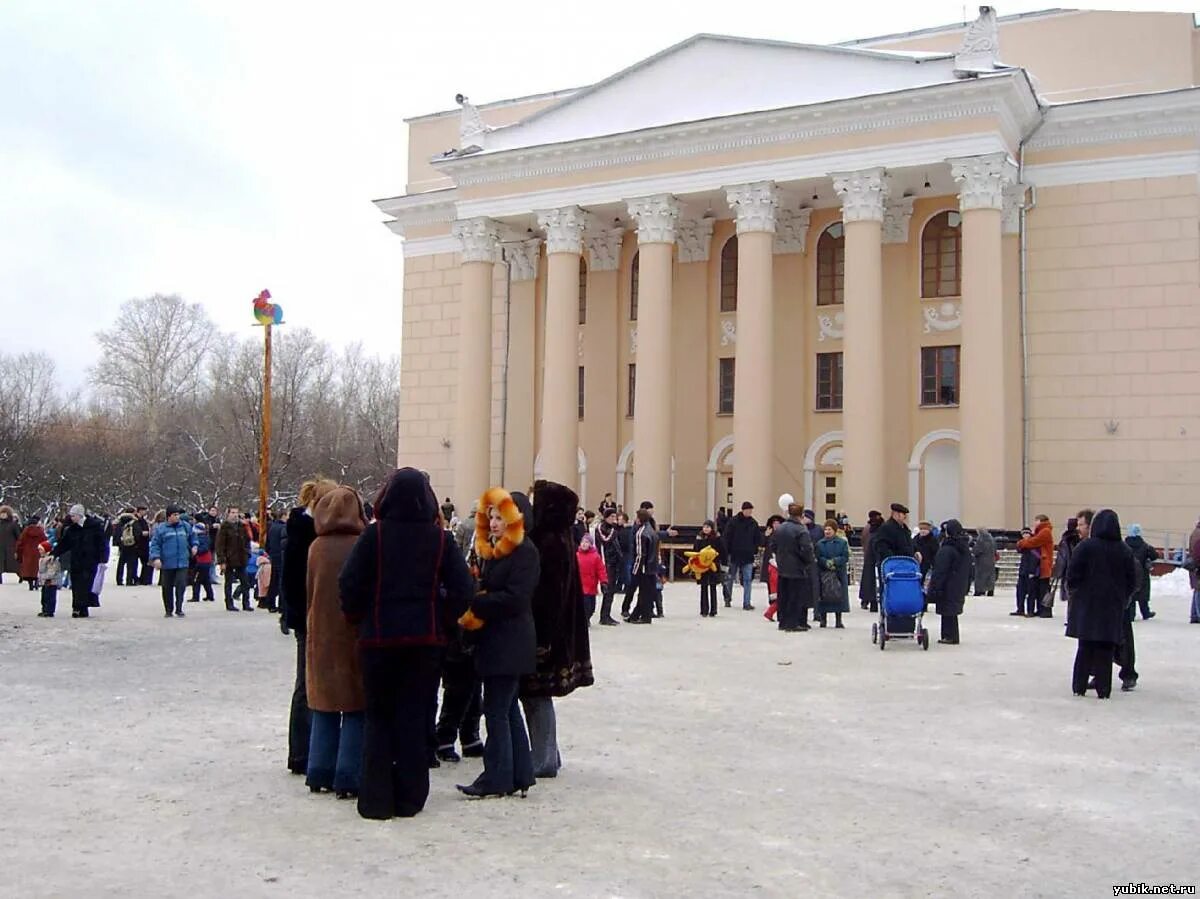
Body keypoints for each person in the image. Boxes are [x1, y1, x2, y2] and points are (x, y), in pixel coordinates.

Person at [338, 469, 471, 817]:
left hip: (378, 640)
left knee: (379, 718)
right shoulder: (439, 539)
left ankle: (376, 798)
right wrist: (442, 619)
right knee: (414, 717)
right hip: (424, 642)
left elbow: (349, 583)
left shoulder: (374, 537)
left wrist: (358, 616)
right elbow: (463, 589)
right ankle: (410, 797)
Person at [454, 486, 539, 799]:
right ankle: (519, 772)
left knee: (497, 710)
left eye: (499, 517)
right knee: (507, 709)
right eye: (490, 516)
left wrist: (479, 602)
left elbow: (516, 598)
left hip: (509, 641)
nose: (493, 522)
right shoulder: (501, 549)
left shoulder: (524, 550)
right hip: (501, 640)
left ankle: (498, 776)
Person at [522, 480, 593, 779]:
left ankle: (544, 758)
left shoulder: (548, 541)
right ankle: (549, 752)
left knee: (537, 693)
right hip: (557, 631)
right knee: (538, 694)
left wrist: (542, 638)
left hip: (547, 632)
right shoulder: (560, 537)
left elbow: (549, 594)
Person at [305, 486, 368, 798]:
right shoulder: (361, 545)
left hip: (320, 632)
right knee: (355, 705)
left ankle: (318, 769)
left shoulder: (315, 547)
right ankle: (348, 774)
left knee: (324, 704)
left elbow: (308, 593)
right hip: (351, 633)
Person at [281, 477, 338, 778]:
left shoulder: (312, 531)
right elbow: (291, 581)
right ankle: (301, 752)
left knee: (316, 683)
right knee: (306, 685)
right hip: (309, 619)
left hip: (315, 617)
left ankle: (313, 749)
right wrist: (302, 616)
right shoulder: (304, 532)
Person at [1066, 509, 1136, 699]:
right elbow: (1133, 579)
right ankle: (1103, 689)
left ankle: (1078, 687)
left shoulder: (1086, 547)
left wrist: (1077, 593)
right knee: (1106, 648)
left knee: (1085, 647)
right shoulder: (1124, 550)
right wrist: (1124, 597)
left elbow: (1072, 574)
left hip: (1087, 605)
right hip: (1112, 607)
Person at [52, 505, 109, 618]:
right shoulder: (72, 529)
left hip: (91, 561)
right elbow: (64, 544)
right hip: (76, 560)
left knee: (86, 584)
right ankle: (77, 607)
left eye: (73, 516)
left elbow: (102, 543)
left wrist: (103, 558)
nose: (71, 518)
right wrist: (54, 553)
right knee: (76, 585)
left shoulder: (94, 526)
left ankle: (83, 607)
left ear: (80, 515)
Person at [926, 520, 972, 645]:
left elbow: (940, 570)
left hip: (947, 585)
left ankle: (949, 636)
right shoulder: (964, 548)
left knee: (947, 611)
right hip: (959, 584)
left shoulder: (947, 549)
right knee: (952, 611)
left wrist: (934, 588)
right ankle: (951, 635)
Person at [773, 504, 816, 632]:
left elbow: (773, 545)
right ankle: (793, 623)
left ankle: (783, 621)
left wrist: (780, 557)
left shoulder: (780, 528)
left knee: (784, 595)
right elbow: (806, 549)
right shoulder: (801, 530)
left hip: (782, 566)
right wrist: (808, 561)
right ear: (801, 515)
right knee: (796, 596)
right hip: (797, 568)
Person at [149, 504, 197, 618]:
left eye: (178, 515)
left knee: (181, 584)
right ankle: (169, 609)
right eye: (175, 515)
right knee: (167, 587)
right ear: (169, 516)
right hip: (167, 563)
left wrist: (195, 545)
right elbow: (155, 545)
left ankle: (179, 608)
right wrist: (156, 558)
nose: (177, 517)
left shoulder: (185, 526)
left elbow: (193, 537)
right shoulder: (161, 529)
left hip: (182, 562)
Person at [724, 502, 762, 611]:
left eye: (751, 510)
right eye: (748, 510)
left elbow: (757, 538)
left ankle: (746, 603)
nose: (750, 512)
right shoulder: (733, 522)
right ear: (743, 510)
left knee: (747, 579)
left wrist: (754, 550)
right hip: (734, 554)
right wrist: (727, 552)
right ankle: (727, 598)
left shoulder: (753, 523)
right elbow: (727, 537)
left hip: (748, 556)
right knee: (730, 578)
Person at [216, 507, 253, 612]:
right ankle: (229, 603)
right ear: (228, 514)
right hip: (229, 558)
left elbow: (247, 540)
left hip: (241, 558)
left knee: (245, 582)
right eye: (232, 513)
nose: (235, 515)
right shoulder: (224, 527)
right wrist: (222, 560)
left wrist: (247, 553)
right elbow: (220, 545)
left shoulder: (241, 526)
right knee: (229, 582)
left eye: (236, 512)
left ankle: (246, 603)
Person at [1016, 514, 1054, 618]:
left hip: (1043, 565)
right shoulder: (1042, 531)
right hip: (1041, 565)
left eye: (1036, 521)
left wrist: (1021, 542)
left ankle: (1045, 610)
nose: (1034, 523)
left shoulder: (1045, 531)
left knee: (1043, 589)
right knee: (1039, 589)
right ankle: (1041, 610)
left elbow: (1032, 542)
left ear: (1040, 521)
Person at [628, 508, 661, 624]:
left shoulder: (641, 533)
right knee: (648, 592)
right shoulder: (652, 531)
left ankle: (644, 616)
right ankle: (636, 615)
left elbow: (640, 554)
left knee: (643, 592)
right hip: (652, 566)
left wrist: (635, 569)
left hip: (644, 567)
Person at [815, 520, 850, 628]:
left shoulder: (842, 543)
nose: (827, 531)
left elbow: (845, 556)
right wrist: (825, 562)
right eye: (825, 529)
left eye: (829, 529)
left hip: (838, 573)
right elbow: (818, 556)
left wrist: (835, 561)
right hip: (824, 573)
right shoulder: (820, 544)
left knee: (838, 596)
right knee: (824, 595)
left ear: (834, 530)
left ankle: (838, 620)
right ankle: (823, 619)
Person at [594, 508, 624, 625]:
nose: (614, 519)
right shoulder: (601, 528)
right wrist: (614, 531)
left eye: (615, 517)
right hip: (606, 562)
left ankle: (607, 614)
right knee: (607, 590)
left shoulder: (612, 529)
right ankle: (604, 616)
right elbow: (605, 540)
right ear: (606, 517)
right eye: (611, 517)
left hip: (614, 562)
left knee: (611, 591)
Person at [1124, 524, 1158, 621]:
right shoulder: (1144, 545)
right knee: (1143, 594)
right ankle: (1145, 612)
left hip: (1129, 573)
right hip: (1142, 573)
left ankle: (1131, 614)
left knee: (1131, 593)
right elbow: (1154, 555)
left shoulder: (1124, 544)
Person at [692, 520, 723, 618]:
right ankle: (704, 609)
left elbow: (722, 551)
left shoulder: (717, 538)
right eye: (704, 527)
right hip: (702, 566)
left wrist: (721, 563)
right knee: (703, 586)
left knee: (713, 587)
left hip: (713, 565)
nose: (706, 529)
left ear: (712, 528)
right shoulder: (699, 538)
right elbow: (695, 550)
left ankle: (713, 610)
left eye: (708, 527)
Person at [576, 533, 606, 623]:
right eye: (583, 542)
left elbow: (601, 570)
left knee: (591, 607)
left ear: (590, 544)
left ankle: (587, 617)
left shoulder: (595, 556)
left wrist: (603, 581)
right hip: (580, 586)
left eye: (587, 542)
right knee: (584, 606)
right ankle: (583, 620)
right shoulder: (576, 555)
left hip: (591, 586)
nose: (584, 544)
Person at [858, 510, 885, 611]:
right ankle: (871, 601)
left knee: (868, 580)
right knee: (871, 579)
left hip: (869, 556)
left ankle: (866, 600)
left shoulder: (867, 528)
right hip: (875, 556)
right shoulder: (880, 528)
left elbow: (863, 541)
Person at [263, 509, 286, 612]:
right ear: (284, 516)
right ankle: (282, 605)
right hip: (282, 556)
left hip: (274, 556)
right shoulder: (284, 528)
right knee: (282, 581)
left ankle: (270, 603)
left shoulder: (272, 527)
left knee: (274, 580)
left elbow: (267, 543)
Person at [111, 507, 140, 586]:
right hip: (132, 544)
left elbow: (116, 533)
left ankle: (119, 579)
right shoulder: (134, 521)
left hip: (122, 544)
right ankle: (129, 580)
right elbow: (138, 533)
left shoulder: (119, 520)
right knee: (131, 563)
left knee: (121, 563)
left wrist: (118, 542)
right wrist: (136, 543)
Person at [17, 516, 47, 591]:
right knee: (37, 568)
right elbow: (45, 541)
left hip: (27, 552)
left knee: (29, 569)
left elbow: (21, 542)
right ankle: (36, 582)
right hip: (38, 551)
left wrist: (18, 551)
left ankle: (30, 584)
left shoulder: (25, 531)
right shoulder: (40, 531)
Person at [189, 521, 215, 603]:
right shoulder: (206, 537)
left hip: (202, 561)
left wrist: (195, 551)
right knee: (205, 579)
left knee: (196, 579)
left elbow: (204, 548)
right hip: (206, 561)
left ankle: (195, 596)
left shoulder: (200, 538)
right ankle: (210, 595)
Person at [36, 541, 62, 617]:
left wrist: (47, 577)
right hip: (44, 581)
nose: (39, 551)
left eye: (41, 550)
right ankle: (44, 609)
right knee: (44, 597)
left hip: (51, 581)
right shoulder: (42, 559)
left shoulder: (51, 559)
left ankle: (49, 611)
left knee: (50, 597)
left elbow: (52, 570)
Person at [971, 527, 997, 597]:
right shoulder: (992, 539)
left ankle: (979, 591)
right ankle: (990, 590)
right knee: (990, 576)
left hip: (981, 561)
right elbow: (995, 550)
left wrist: (973, 551)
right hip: (991, 561)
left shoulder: (981, 540)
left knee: (980, 576)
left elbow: (976, 551)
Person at [913, 521, 939, 585]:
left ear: (929, 530)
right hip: (916, 565)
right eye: (921, 529)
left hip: (927, 566)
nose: (923, 531)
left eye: (925, 529)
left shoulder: (933, 540)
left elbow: (935, 554)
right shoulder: (916, 539)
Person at [0, 505, 20, 583]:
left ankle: (21, 575)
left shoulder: (13, 524)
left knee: (13, 564)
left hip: (10, 547)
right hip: (0, 547)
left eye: (4, 513)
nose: (3, 515)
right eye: (2, 513)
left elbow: (18, 536)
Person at [1189, 515, 1200, 624]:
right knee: (1198, 590)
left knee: (1197, 590)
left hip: (1195, 566)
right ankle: (1197, 614)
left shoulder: (1195, 532)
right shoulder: (1198, 534)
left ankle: (1194, 614)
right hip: (1197, 566)